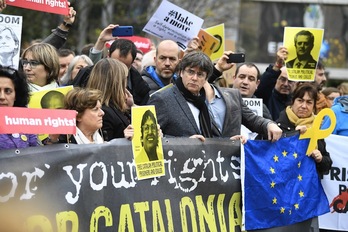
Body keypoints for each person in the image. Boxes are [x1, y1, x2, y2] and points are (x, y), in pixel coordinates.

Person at [148, 51, 282, 142]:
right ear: (181, 72)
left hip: (222, 172)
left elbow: (253, 120)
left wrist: (269, 125)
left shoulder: (220, 98)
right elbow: (148, 139)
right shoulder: (162, 99)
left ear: (206, 78)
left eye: (200, 74)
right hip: (181, 173)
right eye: (190, 72)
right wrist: (184, 144)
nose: (194, 78)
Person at [86, 58, 131, 141]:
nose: (126, 84)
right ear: (116, 83)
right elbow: (107, 147)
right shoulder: (103, 112)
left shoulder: (114, 106)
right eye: (124, 79)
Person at [0, 66, 38, 149]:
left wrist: (52, 139)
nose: (2, 97)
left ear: (16, 95)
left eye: (8, 91)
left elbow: (37, 153)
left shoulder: (25, 120)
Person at [255, 47, 296, 120]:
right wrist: (277, 65)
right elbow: (262, 87)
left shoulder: (297, 101)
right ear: (275, 79)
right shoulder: (267, 98)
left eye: (290, 81)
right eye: (282, 79)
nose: (286, 84)